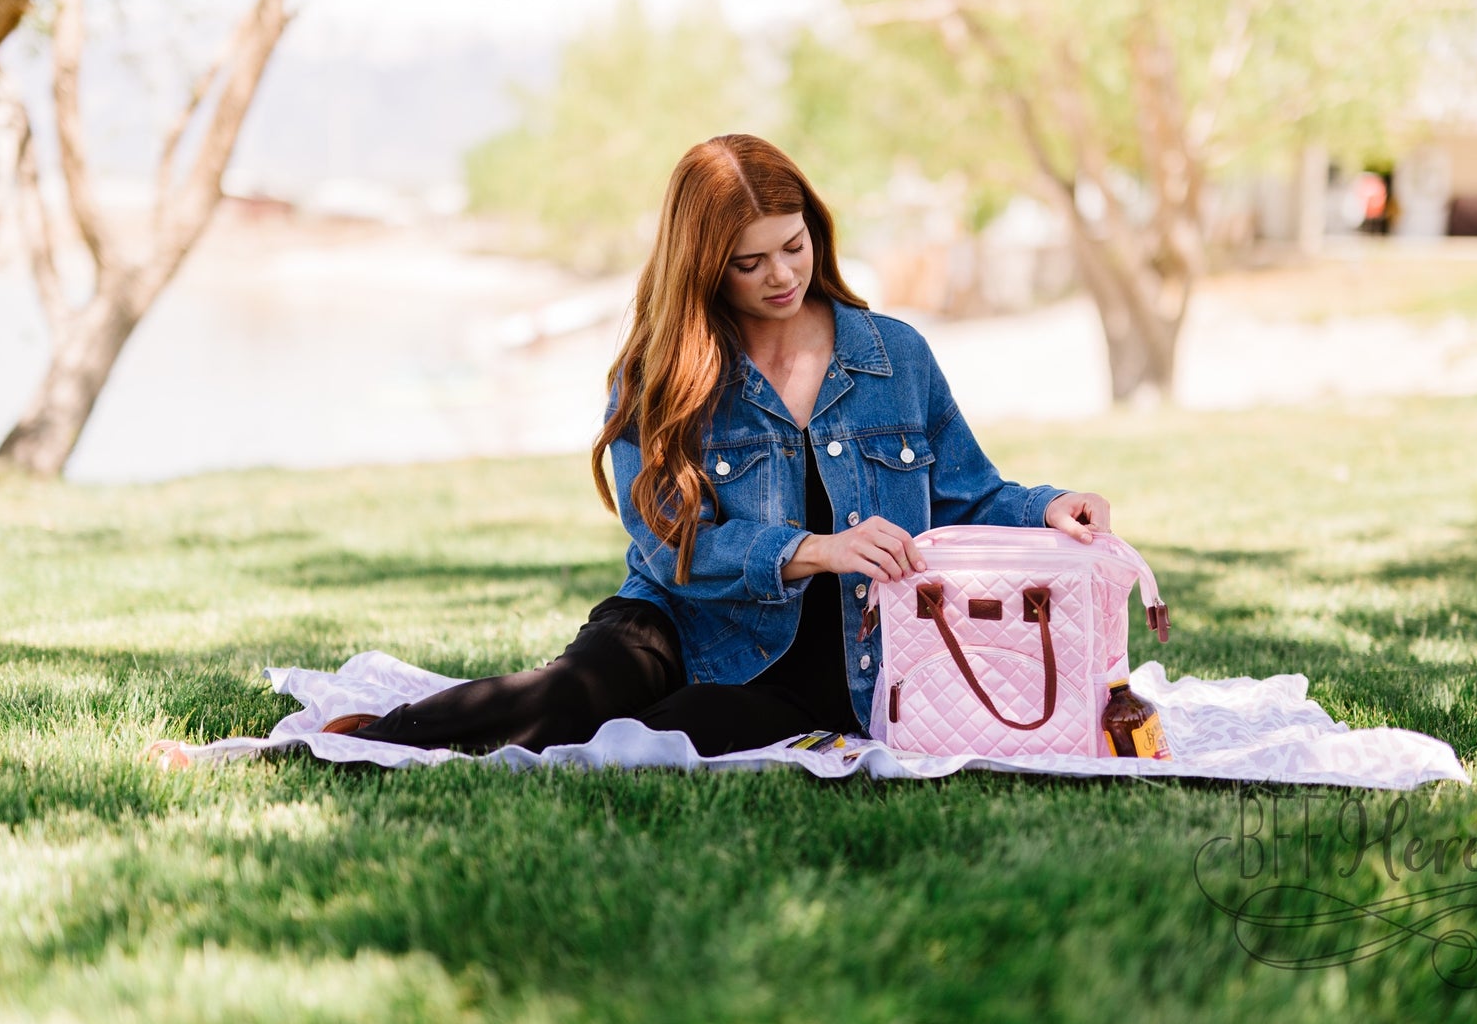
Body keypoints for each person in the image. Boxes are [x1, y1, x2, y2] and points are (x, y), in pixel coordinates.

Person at [148, 134, 1110, 768]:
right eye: (750, 261)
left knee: (649, 741)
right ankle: (343, 743)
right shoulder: (664, 370)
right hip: (679, 619)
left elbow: (971, 488)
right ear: (704, 263)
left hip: (831, 666)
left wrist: (1048, 505)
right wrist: (809, 549)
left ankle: (401, 737)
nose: (781, 276)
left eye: (794, 247)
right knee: (573, 695)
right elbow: (664, 544)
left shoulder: (892, 354)